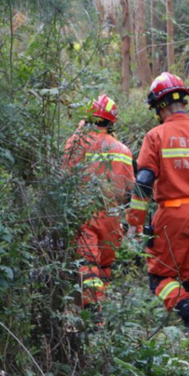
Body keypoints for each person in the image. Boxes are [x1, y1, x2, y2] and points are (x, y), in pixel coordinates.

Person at [127, 73, 189, 335]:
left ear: (159, 107)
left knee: (159, 277)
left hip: (173, 216)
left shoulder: (156, 136)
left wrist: (134, 221)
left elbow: (144, 182)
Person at [63, 95, 135, 308]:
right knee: (104, 268)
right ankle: (101, 313)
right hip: (112, 218)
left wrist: (78, 131)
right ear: (111, 122)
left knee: (88, 265)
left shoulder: (78, 143)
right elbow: (130, 190)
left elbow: (66, 174)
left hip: (87, 214)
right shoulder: (123, 150)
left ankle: (94, 313)